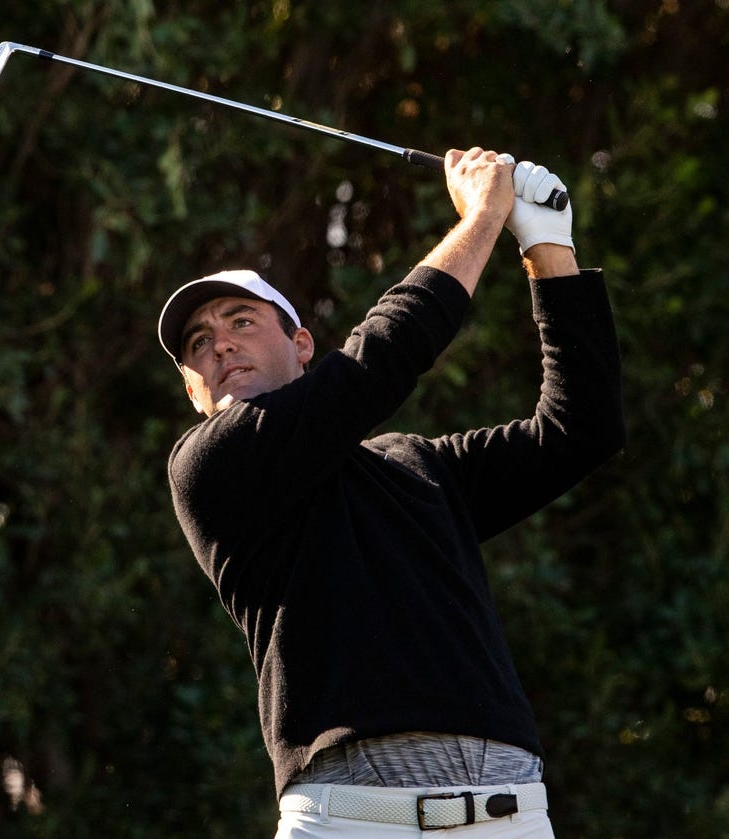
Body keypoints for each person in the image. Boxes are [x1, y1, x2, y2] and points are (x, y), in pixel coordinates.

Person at [156, 148, 625, 837]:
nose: (219, 344)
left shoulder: (417, 466)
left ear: (302, 343)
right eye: (199, 342)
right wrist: (485, 218)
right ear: (195, 393)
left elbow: (580, 429)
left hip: (508, 814)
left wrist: (548, 246)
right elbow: (379, 361)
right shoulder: (207, 468)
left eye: (241, 320)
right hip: (348, 818)